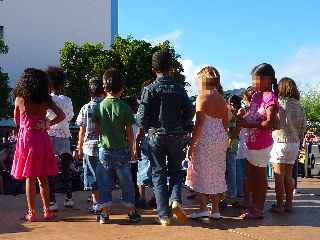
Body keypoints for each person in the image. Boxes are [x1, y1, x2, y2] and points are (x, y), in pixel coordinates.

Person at [136, 50, 193, 226]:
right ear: (172, 68)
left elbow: (142, 118)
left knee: (158, 173)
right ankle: (175, 200)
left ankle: (163, 215)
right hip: (177, 136)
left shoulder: (149, 89)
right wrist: (182, 126)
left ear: (153, 69)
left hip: (155, 137)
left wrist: (140, 133)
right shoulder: (179, 88)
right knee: (176, 171)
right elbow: (190, 110)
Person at [11, 68, 65, 221]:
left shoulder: (20, 99)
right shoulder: (45, 100)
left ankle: (32, 212)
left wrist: (25, 125)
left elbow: (16, 120)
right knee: (43, 177)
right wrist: (47, 123)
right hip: (42, 138)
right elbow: (62, 115)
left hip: (27, 138)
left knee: (30, 177)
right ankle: (47, 210)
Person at [93, 68, 141, 224]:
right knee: (126, 182)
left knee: (104, 183)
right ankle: (131, 212)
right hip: (122, 150)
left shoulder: (99, 106)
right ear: (122, 88)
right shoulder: (125, 107)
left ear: (104, 87)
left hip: (104, 150)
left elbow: (97, 130)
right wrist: (132, 149)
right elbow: (129, 133)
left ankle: (104, 214)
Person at [186, 66, 228, 219]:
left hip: (205, 138)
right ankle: (215, 210)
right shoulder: (222, 99)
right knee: (216, 172)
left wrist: (191, 145)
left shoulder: (201, 98)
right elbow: (225, 123)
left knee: (198, 172)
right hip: (220, 138)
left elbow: (198, 124)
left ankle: (203, 208)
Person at [237, 63, 278, 219]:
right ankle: (252, 206)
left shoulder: (270, 97)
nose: (253, 83)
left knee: (260, 177)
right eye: (253, 80)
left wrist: (248, 124)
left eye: (256, 80)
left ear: (268, 79)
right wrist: (242, 115)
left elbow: (270, 122)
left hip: (262, 144)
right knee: (250, 176)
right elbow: (252, 113)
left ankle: (258, 209)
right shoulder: (256, 95)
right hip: (250, 143)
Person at [270, 77, 306, 213]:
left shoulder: (279, 103)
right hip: (294, 142)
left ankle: (279, 205)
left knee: (279, 175)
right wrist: (299, 139)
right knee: (289, 175)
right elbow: (303, 126)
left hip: (280, 141)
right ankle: (289, 203)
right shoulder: (298, 105)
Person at [46, 66, 75, 211]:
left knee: (50, 169)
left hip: (50, 135)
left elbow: (45, 116)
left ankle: (52, 201)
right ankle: (69, 197)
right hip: (65, 134)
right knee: (66, 168)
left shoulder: (47, 99)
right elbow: (70, 117)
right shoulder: (68, 100)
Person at [75, 77, 105, 213]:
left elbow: (81, 130)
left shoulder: (85, 107)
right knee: (105, 174)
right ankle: (105, 202)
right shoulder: (107, 106)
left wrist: (79, 147)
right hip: (105, 145)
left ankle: (95, 203)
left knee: (92, 174)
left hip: (89, 146)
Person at [236, 86, 255, 208]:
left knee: (244, 175)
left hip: (244, 145)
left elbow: (238, 129)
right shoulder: (259, 111)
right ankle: (255, 200)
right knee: (254, 174)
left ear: (245, 98)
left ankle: (246, 200)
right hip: (257, 145)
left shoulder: (243, 111)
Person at [226, 94, 242, 205]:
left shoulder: (234, 115)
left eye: (231, 104)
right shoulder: (236, 114)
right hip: (233, 143)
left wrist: (229, 143)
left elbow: (234, 132)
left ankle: (232, 192)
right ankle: (234, 191)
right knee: (233, 168)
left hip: (231, 144)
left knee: (231, 169)